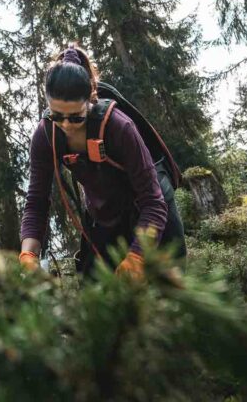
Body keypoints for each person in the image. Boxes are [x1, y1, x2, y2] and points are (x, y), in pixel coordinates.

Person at [18, 44, 185, 278]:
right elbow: (36, 201)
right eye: (57, 116)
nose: (65, 125)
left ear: (91, 98)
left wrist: (137, 257)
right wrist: (28, 255)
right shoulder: (45, 135)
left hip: (152, 214)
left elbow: (153, 201)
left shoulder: (119, 126)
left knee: (165, 299)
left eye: (75, 118)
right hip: (105, 214)